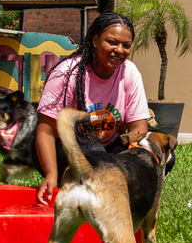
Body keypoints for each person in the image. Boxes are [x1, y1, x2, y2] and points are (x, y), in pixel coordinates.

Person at [35, 12, 151, 203]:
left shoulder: (129, 72)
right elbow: (46, 131)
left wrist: (135, 162)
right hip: (64, 148)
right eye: (112, 42)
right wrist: (50, 174)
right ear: (96, 40)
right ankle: (75, 181)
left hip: (107, 150)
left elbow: (139, 131)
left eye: (126, 45)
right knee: (94, 152)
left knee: (157, 152)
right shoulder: (67, 73)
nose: (119, 50)